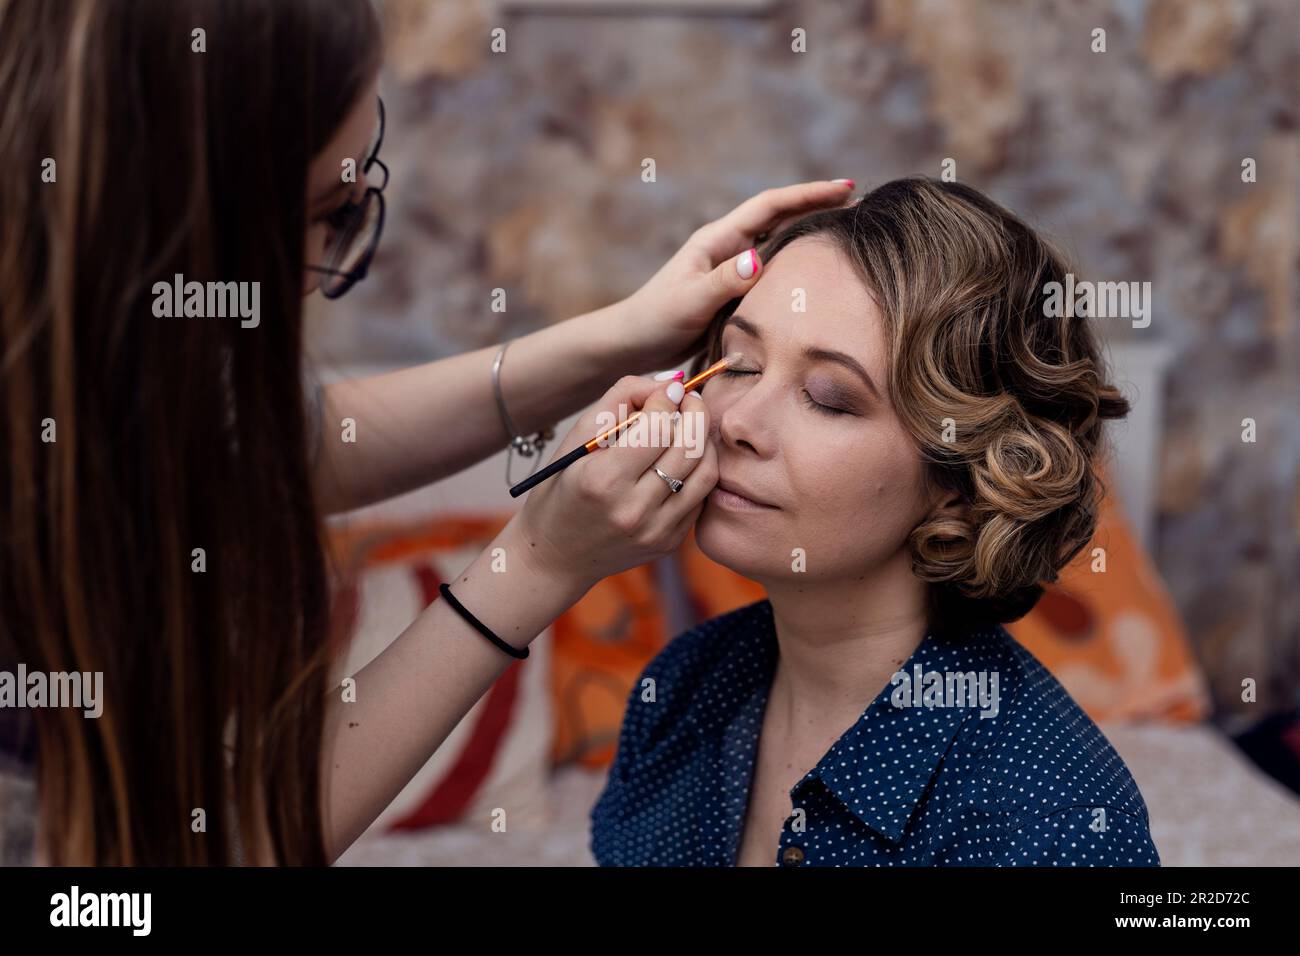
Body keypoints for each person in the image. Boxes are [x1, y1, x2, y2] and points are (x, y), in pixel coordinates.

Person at [0, 0, 856, 865]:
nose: (734, 419)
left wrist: (622, 331)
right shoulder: (684, 709)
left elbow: (263, 453)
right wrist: (539, 563)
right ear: (169, 239)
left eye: (827, 393)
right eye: (328, 210)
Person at [590, 177, 1162, 866]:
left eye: (829, 399)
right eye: (739, 364)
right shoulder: (682, 689)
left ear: (960, 481)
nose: (735, 422)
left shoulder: (1051, 819)